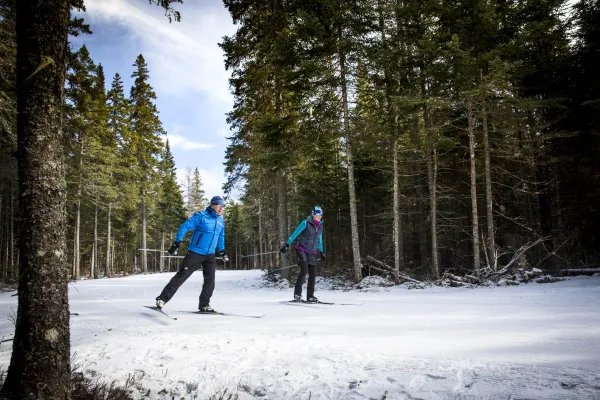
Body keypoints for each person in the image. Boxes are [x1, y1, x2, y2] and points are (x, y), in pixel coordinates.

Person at [155, 196, 229, 313]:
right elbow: (184, 227)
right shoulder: (201, 216)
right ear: (212, 205)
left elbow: (220, 237)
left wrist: (222, 251)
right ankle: (162, 299)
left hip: (210, 255)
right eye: (219, 205)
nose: (221, 208)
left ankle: (204, 305)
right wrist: (177, 243)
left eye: (223, 206)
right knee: (182, 276)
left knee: (210, 280)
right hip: (195, 252)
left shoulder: (220, 221)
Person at [280, 206, 326, 303]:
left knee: (313, 274)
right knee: (304, 270)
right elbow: (295, 233)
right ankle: (297, 294)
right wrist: (287, 244)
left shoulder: (320, 226)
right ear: (313, 214)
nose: (318, 217)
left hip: (312, 251)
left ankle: (310, 296)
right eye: (317, 215)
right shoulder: (305, 223)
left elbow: (319, 239)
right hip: (302, 249)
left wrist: (321, 251)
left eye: (320, 215)